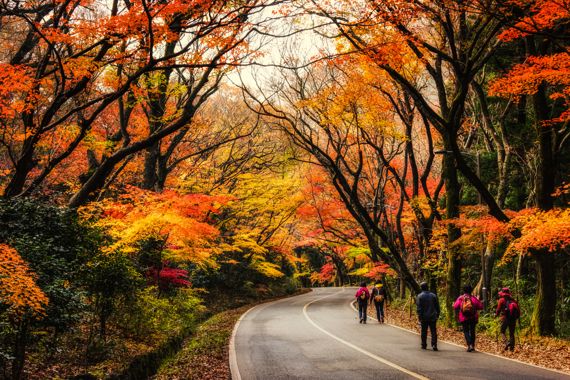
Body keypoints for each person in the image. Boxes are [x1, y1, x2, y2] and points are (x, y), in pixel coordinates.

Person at [453, 284, 484, 352]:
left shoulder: (461, 298)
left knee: (466, 331)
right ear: (471, 290)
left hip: (463, 318)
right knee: (472, 331)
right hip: (473, 317)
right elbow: (481, 307)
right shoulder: (474, 298)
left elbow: (455, 306)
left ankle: (469, 345)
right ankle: (472, 345)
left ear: (464, 290)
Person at [416, 282, 440, 351]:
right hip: (433, 316)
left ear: (421, 288)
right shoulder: (433, 295)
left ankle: (424, 344)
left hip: (424, 317)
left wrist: (419, 317)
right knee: (433, 331)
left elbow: (419, 308)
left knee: (424, 331)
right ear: (427, 287)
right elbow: (437, 306)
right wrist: (437, 314)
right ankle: (434, 344)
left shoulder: (420, 296)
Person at [496, 287, 520, 351]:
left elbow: (498, 310)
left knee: (502, 331)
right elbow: (518, 311)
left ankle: (506, 342)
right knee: (512, 333)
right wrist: (516, 317)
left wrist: (496, 315)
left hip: (505, 318)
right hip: (513, 318)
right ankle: (512, 349)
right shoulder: (513, 300)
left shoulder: (501, 300)